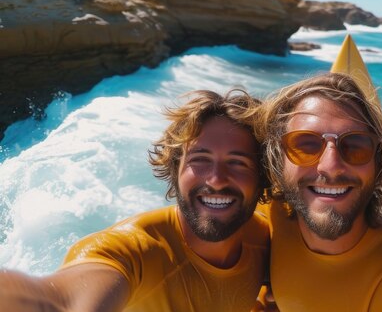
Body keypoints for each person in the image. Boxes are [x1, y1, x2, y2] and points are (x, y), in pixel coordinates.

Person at [0, 90, 270, 311]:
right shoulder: (130, 251)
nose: (216, 179)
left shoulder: (270, 235)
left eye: (238, 163)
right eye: (199, 160)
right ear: (174, 170)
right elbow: (62, 300)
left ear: (263, 177)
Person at [256, 72, 382, 311]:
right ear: (277, 158)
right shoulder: (264, 218)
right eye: (305, 144)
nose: (331, 166)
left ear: (378, 162)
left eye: (355, 146)